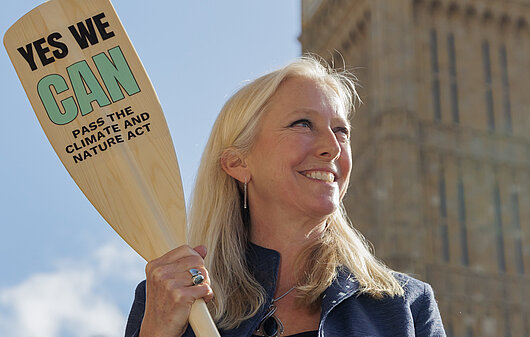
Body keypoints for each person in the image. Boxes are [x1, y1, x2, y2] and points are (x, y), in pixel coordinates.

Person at [125, 56, 446, 337]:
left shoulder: (406, 306)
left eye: (341, 131)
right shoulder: (173, 297)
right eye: (303, 124)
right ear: (237, 162)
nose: (332, 147)